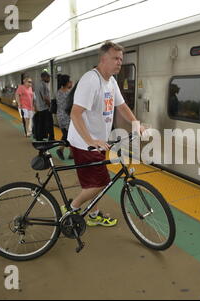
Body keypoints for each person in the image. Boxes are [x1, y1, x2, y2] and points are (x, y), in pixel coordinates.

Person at [66, 41, 145, 227]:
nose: (119, 62)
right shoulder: (91, 80)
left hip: (98, 141)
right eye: (115, 58)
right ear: (103, 59)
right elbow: (75, 114)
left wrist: (135, 123)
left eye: (121, 59)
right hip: (84, 142)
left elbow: (122, 106)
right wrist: (90, 141)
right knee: (102, 182)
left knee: (92, 183)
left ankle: (93, 215)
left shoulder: (111, 81)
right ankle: (72, 208)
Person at [55, 74, 73, 160]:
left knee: (66, 135)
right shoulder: (69, 93)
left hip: (60, 116)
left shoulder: (58, 92)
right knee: (69, 135)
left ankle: (70, 153)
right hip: (67, 116)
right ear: (67, 83)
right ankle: (61, 149)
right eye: (70, 81)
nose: (71, 82)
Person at [34, 71, 54, 141]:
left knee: (41, 124)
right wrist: (50, 105)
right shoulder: (43, 85)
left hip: (39, 108)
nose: (49, 79)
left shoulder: (37, 85)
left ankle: (40, 137)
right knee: (49, 124)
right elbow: (45, 98)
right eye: (48, 77)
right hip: (45, 108)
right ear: (44, 77)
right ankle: (51, 138)